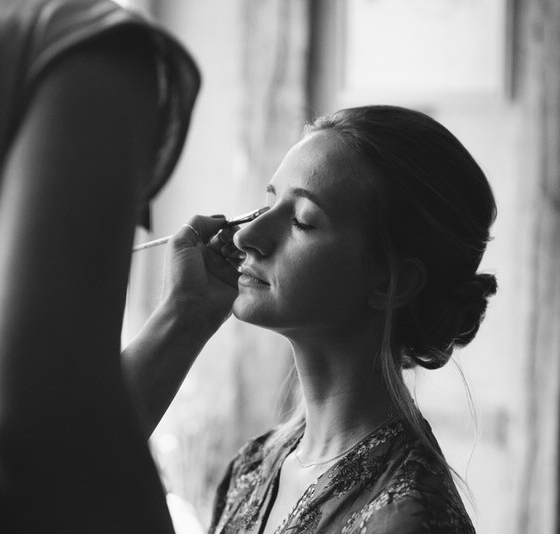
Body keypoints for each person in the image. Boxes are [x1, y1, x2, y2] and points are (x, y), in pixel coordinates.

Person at [0, 1, 233, 532]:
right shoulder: (91, 48)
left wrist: (185, 316)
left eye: (303, 219)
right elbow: (36, 408)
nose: (254, 233)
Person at [197, 105, 498, 533]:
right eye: (266, 205)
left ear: (391, 282)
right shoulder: (252, 466)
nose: (246, 236)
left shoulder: (407, 517)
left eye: (301, 220)